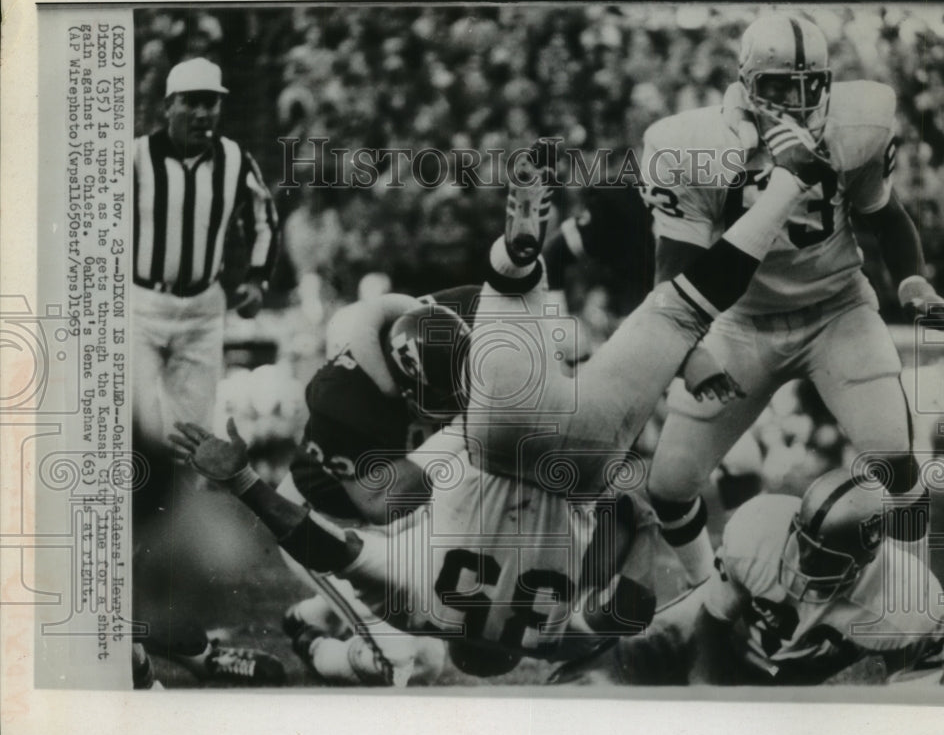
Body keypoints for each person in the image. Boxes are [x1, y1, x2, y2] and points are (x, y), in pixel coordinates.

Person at [171, 132, 825, 677]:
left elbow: (626, 606)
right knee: (509, 296)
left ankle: (788, 187)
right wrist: (245, 483)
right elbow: (321, 544)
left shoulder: (547, 637)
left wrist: (632, 526)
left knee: (684, 309)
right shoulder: (422, 606)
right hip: (498, 437)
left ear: (507, 655)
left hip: (582, 458)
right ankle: (518, 260)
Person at [640, 14, 944, 587]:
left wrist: (913, 281)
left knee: (894, 459)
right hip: (739, 321)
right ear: (745, 82)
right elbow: (674, 271)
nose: (798, 99)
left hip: (836, 307)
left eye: (811, 83)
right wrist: (689, 353)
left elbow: (886, 218)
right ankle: (706, 594)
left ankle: (920, 604)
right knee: (668, 485)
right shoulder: (696, 145)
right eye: (780, 86)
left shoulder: (856, 125)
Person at [132, 57, 283, 685]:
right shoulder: (134, 158)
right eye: (191, 102)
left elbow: (265, 215)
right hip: (138, 302)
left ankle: (174, 597)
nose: (203, 113)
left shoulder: (233, 158)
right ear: (168, 105)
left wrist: (256, 277)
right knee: (145, 435)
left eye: (212, 102)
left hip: (200, 309)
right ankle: (137, 588)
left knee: (194, 448)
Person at [551, 468, 944, 687]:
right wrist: (708, 697)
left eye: (823, 557)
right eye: (804, 542)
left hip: (777, 680)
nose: (805, 558)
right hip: (711, 637)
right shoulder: (761, 530)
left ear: (866, 558)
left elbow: (913, 712)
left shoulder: (908, 603)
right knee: (580, 690)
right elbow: (710, 623)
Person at [277, 285, 481, 686]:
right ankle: (317, 645)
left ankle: (313, 614)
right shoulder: (344, 402)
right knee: (418, 664)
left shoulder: (431, 330)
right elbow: (378, 504)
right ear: (406, 386)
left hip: (395, 524)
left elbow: (396, 308)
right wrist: (461, 434)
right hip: (325, 528)